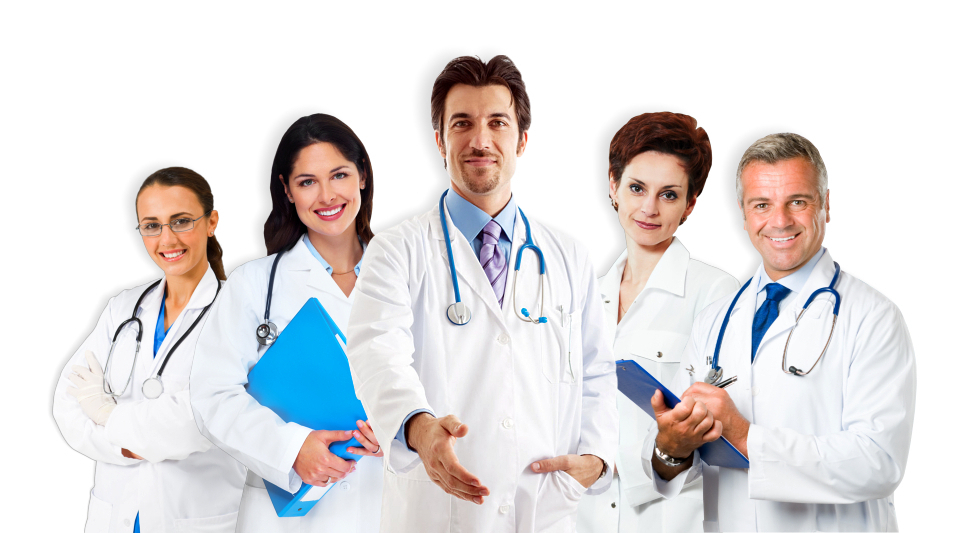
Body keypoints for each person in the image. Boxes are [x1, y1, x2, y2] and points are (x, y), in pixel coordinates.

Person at [345, 55, 618, 533]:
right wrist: (417, 426)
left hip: (545, 508)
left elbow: (596, 369)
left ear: (522, 139)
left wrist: (596, 458)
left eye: (497, 122)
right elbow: (376, 354)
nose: (480, 140)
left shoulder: (568, 255)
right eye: (462, 123)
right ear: (439, 140)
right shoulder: (396, 250)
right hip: (438, 512)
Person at [643, 133, 916, 531]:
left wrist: (744, 435)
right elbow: (687, 467)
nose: (780, 220)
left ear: (825, 206)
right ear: (744, 214)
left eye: (798, 202)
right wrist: (671, 449)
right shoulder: (715, 319)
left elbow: (879, 461)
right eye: (762, 205)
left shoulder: (873, 317)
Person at [189, 114, 384, 532]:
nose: (327, 195)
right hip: (290, 516)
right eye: (307, 181)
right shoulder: (254, 285)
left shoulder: (406, 276)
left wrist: (405, 429)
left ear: (362, 176)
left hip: (386, 503)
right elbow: (212, 396)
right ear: (287, 190)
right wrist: (292, 448)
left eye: (339, 175)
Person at [53, 167, 245, 532]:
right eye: (152, 225)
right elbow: (68, 403)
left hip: (196, 518)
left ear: (211, 222)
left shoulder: (239, 313)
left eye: (181, 221)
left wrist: (107, 415)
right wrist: (126, 446)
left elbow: (202, 422)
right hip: (115, 516)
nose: (167, 239)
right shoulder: (123, 309)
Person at [576, 112, 738, 533]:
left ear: (690, 204)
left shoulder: (717, 294)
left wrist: (623, 463)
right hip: (588, 517)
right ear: (612, 186)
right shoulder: (588, 296)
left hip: (672, 518)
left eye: (669, 195)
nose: (649, 208)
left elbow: (720, 439)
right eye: (636, 188)